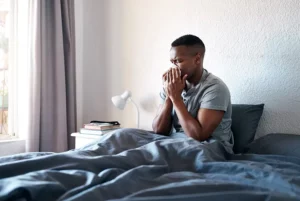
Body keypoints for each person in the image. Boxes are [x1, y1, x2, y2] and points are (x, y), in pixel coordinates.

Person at [152, 34, 234, 153]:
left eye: (178, 61)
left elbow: (198, 136)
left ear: (197, 59)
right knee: (123, 135)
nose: (173, 68)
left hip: (208, 147)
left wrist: (176, 98)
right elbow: (158, 130)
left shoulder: (215, 88)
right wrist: (170, 96)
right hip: (175, 142)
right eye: (172, 62)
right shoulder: (172, 85)